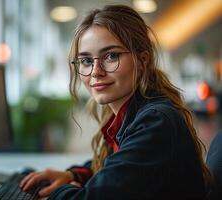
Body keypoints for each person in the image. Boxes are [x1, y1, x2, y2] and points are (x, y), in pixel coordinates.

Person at [20, 4, 212, 199]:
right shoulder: (131, 115)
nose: (96, 71)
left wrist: (58, 190)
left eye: (111, 56)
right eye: (86, 61)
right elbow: (119, 168)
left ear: (143, 60)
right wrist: (73, 175)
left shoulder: (155, 121)